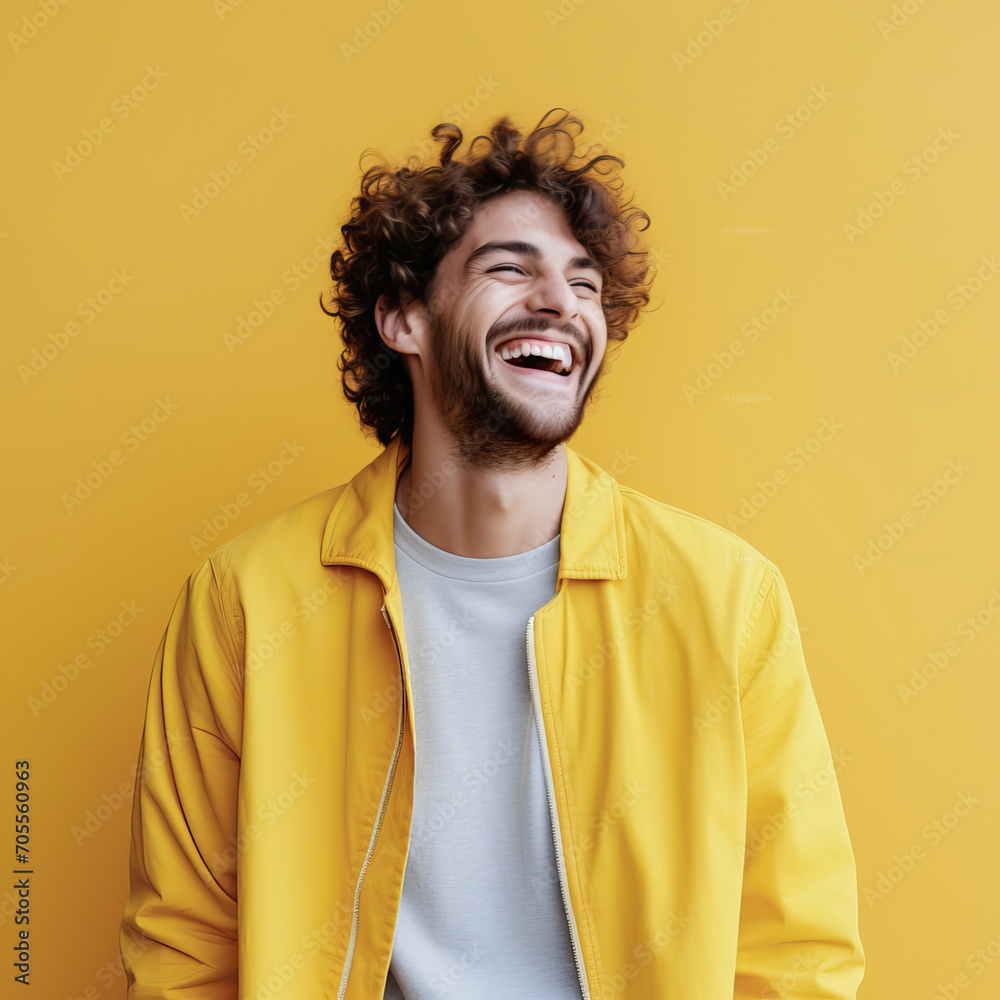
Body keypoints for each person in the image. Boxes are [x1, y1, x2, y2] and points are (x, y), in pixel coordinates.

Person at [119, 108, 865, 999]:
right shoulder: (246, 599)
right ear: (403, 319)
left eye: (585, 284)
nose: (561, 302)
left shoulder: (725, 597)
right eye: (510, 268)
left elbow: (797, 953)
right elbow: (183, 948)